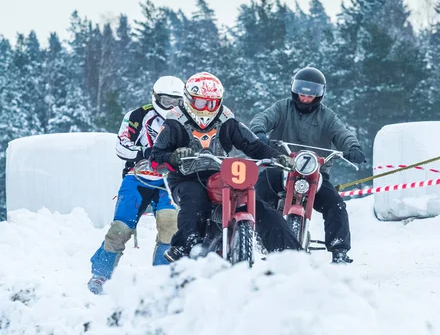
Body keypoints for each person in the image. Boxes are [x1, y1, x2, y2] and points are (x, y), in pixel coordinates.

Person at [149, 72, 300, 262]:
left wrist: (277, 157)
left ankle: (290, 254)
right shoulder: (174, 121)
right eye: (201, 103)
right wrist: (173, 157)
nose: (206, 109)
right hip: (185, 178)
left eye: (211, 103)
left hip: (221, 175)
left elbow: (253, 145)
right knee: (195, 200)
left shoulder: (226, 119)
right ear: (188, 99)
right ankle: (185, 246)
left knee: (259, 206)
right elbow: (155, 160)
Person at [250, 67, 366, 264]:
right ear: (295, 90)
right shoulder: (282, 108)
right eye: (302, 93)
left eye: (311, 94)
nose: (305, 98)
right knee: (257, 194)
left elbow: (342, 134)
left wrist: (352, 147)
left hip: (314, 172)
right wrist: (259, 131)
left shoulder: (327, 116)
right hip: (281, 167)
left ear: (319, 94)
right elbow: (263, 118)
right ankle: (258, 235)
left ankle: (339, 250)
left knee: (336, 204)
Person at [87, 76, 185, 294]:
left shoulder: (185, 119)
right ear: (156, 97)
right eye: (167, 100)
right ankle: (101, 274)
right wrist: (144, 152)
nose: (171, 106)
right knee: (121, 228)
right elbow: (121, 146)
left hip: (170, 179)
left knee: (170, 224)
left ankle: (163, 276)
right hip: (138, 176)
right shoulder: (137, 115)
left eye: (176, 101)